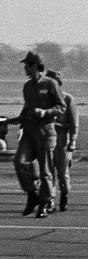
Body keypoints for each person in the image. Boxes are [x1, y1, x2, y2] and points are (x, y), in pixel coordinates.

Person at [15, 51, 65, 217]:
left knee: (45, 170)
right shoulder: (27, 86)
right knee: (19, 162)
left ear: (34, 66)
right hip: (29, 130)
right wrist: (19, 120)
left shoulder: (50, 83)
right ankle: (32, 194)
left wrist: (46, 112)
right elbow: (27, 107)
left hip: (46, 130)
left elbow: (61, 106)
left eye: (26, 65)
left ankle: (45, 202)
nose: (24, 68)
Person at [48, 69, 76, 211]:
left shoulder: (67, 99)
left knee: (62, 172)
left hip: (62, 138)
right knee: (48, 171)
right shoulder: (44, 100)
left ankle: (64, 194)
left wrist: (73, 141)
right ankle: (50, 199)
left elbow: (73, 123)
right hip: (47, 137)